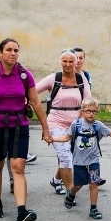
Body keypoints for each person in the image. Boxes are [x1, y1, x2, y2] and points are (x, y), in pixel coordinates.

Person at [0, 38, 51, 221]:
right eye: (9, 50)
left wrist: (45, 128)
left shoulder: (25, 75)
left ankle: (21, 210)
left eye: (16, 50)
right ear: (0, 53)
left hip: (19, 125)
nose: (13, 53)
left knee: (18, 167)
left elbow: (35, 102)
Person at [50, 97, 111, 219]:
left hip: (93, 160)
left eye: (94, 111)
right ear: (82, 111)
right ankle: (71, 194)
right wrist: (52, 139)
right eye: (88, 111)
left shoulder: (98, 125)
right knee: (78, 185)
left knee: (94, 184)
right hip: (79, 161)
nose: (91, 114)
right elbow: (67, 138)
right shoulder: (76, 125)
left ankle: (93, 209)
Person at [36, 49, 91, 196]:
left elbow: (87, 102)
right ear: (60, 62)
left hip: (76, 124)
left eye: (71, 61)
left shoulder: (81, 79)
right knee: (65, 157)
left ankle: (56, 180)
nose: (67, 64)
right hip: (56, 123)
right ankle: (70, 192)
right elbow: (32, 91)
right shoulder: (53, 78)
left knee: (71, 157)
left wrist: (82, 121)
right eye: (64, 61)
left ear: (75, 62)